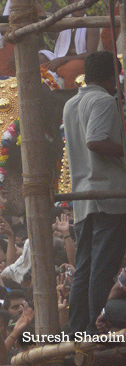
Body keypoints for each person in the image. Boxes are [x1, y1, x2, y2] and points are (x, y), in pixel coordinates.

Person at [64, 51, 126, 334]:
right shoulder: (102, 100)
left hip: (85, 198)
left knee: (85, 269)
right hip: (108, 197)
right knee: (102, 267)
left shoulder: (71, 103)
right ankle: (92, 327)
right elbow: (95, 141)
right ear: (110, 76)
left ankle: (78, 327)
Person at [43, 0, 100, 88]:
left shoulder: (91, 25)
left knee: (71, 69)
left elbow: (90, 54)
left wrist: (63, 60)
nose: (81, 7)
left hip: (80, 62)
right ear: (70, 6)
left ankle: (69, 99)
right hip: (61, 60)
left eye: (84, 4)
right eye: (77, 4)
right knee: (40, 64)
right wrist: (60, 60)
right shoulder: (62, 23)